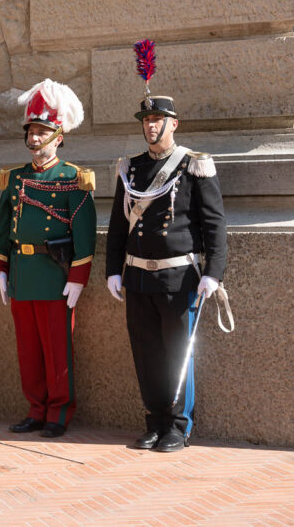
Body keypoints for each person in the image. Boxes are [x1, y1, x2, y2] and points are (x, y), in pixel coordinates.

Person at [105, 39, 228, 453]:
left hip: (179, 278)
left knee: (178, 356)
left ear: (173, 123)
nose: (151, 125)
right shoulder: (131, 168)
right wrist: (112, 270)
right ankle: (154, 421)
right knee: (146, 354)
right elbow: (119, 224)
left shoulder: (194, 164)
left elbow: (214, 225)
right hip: (138, 277)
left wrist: (213, 273)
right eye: (146, 119)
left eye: (158, 118)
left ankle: (178, 425)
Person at [0, 79, 95, 438]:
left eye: (42, 131)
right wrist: (1, 270)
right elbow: (2, 230)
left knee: (56, 351)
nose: (35, 138)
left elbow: (84, 236)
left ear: (59, 135)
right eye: (31, 131)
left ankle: (58, 413)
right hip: (22, 274)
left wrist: (78, 279)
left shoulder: (73, 179)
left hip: (55, 276)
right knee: (28, 351)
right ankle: (36, 409)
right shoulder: (15, 178)